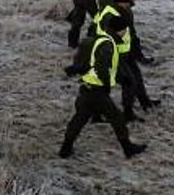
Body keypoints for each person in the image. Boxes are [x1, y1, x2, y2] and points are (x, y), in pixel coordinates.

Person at [60, 13, 147, 159]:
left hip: (86, 88)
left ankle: (65, 149)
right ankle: (128, 148)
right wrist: (108, 84)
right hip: (97, 91)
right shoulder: (108, 45)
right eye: (125, 29)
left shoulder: (102, 39)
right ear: (120, 30)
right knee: (117, 117)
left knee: (79, 119)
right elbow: (102, 68)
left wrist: (121, 79)